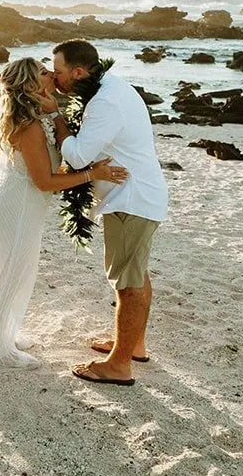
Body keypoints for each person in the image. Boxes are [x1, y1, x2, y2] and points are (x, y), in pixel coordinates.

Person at [0, 59, 128, 371]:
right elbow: (45, 181)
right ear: (29, 85)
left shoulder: (33, 117)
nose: (51, 72)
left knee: (5, 268)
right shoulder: (30, 127)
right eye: (42, 71)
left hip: (14, 197)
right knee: (11, 271)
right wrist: (93, 173)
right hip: (19, 203)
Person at [48, 39, 170, 387]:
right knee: (136, 276)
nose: (55, 80)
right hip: (138, 196)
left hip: (130, 200)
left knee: (128, 284)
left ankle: (118, 365)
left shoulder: (104, 102)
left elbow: (78, 155)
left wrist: (56, 116)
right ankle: (133, 345)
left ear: (79, 72)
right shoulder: (112, 89)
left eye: (58, 73)